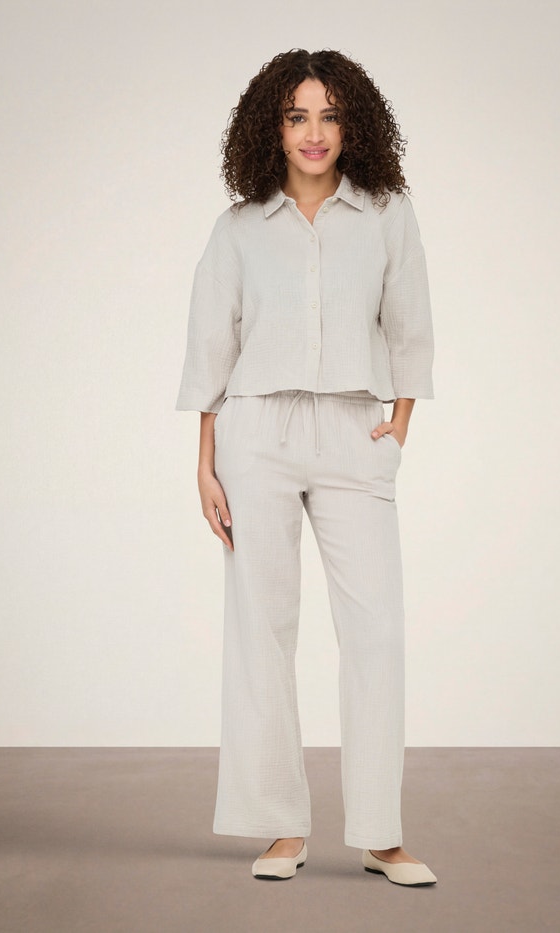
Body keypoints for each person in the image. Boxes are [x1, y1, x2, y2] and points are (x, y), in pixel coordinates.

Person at [175, 48, 436, 887]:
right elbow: (212, 347)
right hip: (256, 432)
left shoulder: (387, 214)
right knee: (262, 628)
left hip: (355, 428)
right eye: (297, 116)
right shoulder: (239, 228)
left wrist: (398, 427)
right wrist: (206, 464)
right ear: (272, 127)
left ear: (354, 125)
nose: (314, 132)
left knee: (376, 632)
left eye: (329, 115)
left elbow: (410, 326)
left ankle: (381, 833)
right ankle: (281, 824)